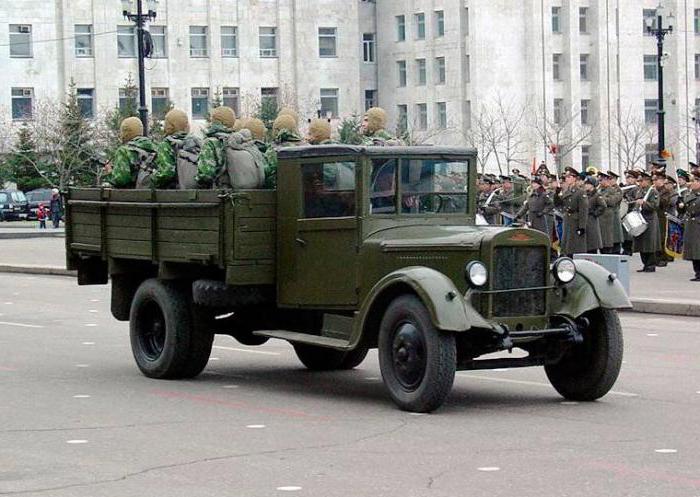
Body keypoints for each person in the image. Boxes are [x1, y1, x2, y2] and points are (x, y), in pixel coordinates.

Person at [108, 117, 159, 188]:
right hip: (156, 193)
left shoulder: (124, 151)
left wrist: (110, 173)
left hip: (134, 196)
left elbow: (121, 180)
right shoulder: (156, 147)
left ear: (126, 132)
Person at [195, 106, 236, 188]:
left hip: (219, 195)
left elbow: (205, 174)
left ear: (215, 121)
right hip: (241, 192)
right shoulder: (238, 140)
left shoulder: (211, 142)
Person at [152, 109, 191, 189]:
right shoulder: (194, 142)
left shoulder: (166, 144)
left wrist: (152, 179)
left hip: (173, 194)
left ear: (170, 126)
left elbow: (166, 173)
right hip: (194, 192)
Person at [554, 167, 588, 257]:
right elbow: (558, 204)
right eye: (566, 177)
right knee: (566, 246)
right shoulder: (567, 191)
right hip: (567, 220)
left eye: (569, 177)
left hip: (575, 221)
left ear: (574, 178)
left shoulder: (580, 192)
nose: (567, 179)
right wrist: (557, 193)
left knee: (575, 248)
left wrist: (582, 227)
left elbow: (583, 210)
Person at [633, 171, 660, 272]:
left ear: (647, 181)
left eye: (642, 180)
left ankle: (651, 265)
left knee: (649, 243)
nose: (640, 182)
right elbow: (636, 203)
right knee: (641, 243)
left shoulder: (653, 192)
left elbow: (655, 206)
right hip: (640, 219)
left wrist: (644, 203)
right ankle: (645, 264)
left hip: (650, 219)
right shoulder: (640, 191)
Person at [678, 171, 700, 281]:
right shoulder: (689, 194)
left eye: (695, 181)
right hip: (690, 224)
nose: (692, 183)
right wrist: (680, 205)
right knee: (693, 250)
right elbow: (683, 209)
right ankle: (697, 273)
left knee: (698, 250)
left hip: (698, 223)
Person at [599, 171, 624, 254]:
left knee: (614, 240)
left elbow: (613, 201)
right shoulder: (600, 190)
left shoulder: (616, 190)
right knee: (606, 242)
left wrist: (601, 199)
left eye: (611, 179)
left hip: (613, 218)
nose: (601, 182)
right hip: (603, 219)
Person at [584, 175, 605, 254]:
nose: (586, 185)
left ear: (592, 185)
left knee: (592, 243)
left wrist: (595, 213)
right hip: (586, 220)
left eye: (588, 184)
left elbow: (603, 206)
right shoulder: (585, 194)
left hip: (592, 221)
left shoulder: (597, 195)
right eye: (585, 184)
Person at [621, 170, 640, 255]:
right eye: (627, 178)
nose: (628, 180)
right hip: (623, 212)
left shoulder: (636, 188)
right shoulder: (625, 188)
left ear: (635, 179)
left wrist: (627, 198)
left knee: (629, 232)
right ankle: (625, 248)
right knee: (624, 232)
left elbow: (636, 200)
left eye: (630, 178)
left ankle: (629, 249)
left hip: (631, 211)